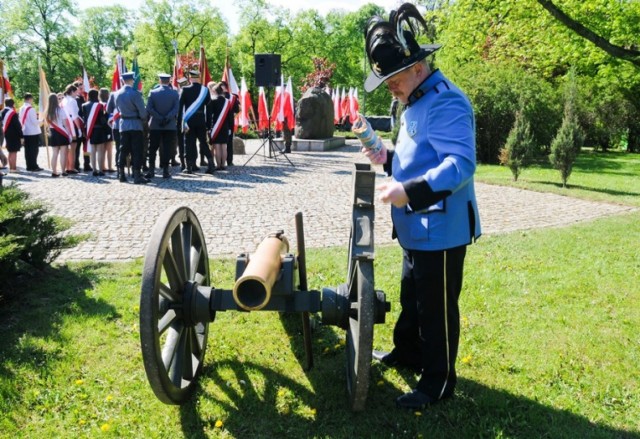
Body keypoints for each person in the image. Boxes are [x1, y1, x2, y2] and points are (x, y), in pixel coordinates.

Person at [361, 3, 481, 410]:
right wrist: (386, 156)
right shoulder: (416, 99)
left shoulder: (447, 101)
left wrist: (408, 191)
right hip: (419, 227)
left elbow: (460, 165)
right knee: (412, 296)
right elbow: (420, 158)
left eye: (392, 79)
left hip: (442, 230)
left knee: (436, 309)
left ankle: (438, 383)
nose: (390, 87)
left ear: (416, 68)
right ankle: (408, 352)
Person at [178, 69, 215, 174]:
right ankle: (211, 164)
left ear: (190, 78)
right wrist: (208, 124)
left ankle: (189, 167)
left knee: (189, 143)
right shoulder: (205, 90)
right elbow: (208, 109)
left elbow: (180, 108)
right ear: (198, 78)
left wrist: (179, 123)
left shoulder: (185, 89)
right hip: (200, 120)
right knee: (203, 143)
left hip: (189, 121)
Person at [114, 71, 148, 184]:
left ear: (123, 80)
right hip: (135, 124)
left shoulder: (117, 94)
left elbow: (117, 110)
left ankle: (121, 173)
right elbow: (143, 113)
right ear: (132, 80)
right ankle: (137, 174)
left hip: (123, 125)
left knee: (123, 150)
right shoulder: (135, 93)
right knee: (137, 150)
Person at [146, 73, 179, 179]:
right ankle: (165, 170)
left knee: (153, 148)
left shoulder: (153, 92)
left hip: (156, 125)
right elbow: (176, 109)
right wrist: (167, 118)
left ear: (160, 81)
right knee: (167, 148)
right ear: (169, 81)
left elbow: (149, 108)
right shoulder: (174, 94)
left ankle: (151, 170)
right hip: (169, 125)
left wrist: (159, 117)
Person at [44, 93, 72, 177]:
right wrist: (69, 134)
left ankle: (54, 171)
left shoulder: (46, 112)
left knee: (55, 153)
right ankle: (63, 171)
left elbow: (47, 125)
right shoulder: (60, 110)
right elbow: (65, 124)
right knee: (63, 153)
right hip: (62, 132)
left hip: (52, 132)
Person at [82, 89, 109, 176]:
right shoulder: (99, 105)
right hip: (99, 129)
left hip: (90, 130)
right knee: (100, 150)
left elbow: (85, 119)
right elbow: (102, 119)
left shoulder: (84, 105)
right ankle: (100, 170)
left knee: (92, 150)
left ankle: (94, 169)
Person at [206, 81, 231, 170]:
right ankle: (223, 164)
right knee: (224, 146)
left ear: (215, 92)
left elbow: (209, 115)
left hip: (216, 126)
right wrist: (230, 127)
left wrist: (208, 126)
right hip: (225, 126)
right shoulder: (228, 102)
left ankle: (218, 165)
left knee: (217, 147)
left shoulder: (213, 101)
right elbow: (230, 116)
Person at [19, 93, 43, 172]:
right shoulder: (31, 109)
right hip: (33, 132)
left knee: (28, 150)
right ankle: (34, 166)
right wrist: (41, 121)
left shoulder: (21, 108)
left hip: (25, 131)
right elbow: (34, 122)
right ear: (30, 99)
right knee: (34, 150)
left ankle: (29, 165)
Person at [61, 84, 80, 174]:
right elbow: (75, 116)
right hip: (72, 124)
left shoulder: (64, 100)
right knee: (73, 147)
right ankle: (71, 167)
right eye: (76, 92)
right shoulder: (72, 101)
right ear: (72, 92)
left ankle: (68, 166)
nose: (77, 94)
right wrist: (79, 128)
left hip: (65, 124)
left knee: (68, 148)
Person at [220, 80, 240, 166]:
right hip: (229, 122)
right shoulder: (233, 98)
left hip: (219, 123)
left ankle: (220, 161)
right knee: (229, 142)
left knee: (220, 142)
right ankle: (229, 161)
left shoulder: (217, 97)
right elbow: (237, 110)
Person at [1, 98, 23, 172]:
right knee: (13, 152)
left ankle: (11, 168)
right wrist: (21, 135)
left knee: (10, 151)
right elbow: (17, 125)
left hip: (5, 134)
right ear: (13, 104)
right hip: (14, 135)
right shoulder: (12, 113)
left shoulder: (2, 112)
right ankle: (13, 168)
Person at [99, 88, 116, 173]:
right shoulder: (108, 105)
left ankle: (102, 166)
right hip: (108, 128)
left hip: (101, 129)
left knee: (102, 149)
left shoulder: (98, 105)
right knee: (109, 149)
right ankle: (109, 166)